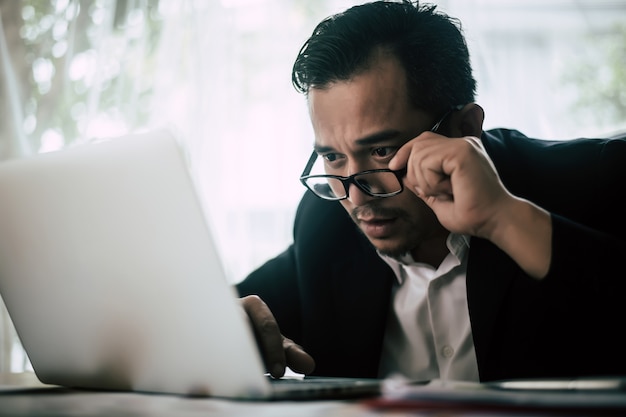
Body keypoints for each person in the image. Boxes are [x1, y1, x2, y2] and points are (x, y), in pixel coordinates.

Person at [236, 0, 626, 383]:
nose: (357, 198)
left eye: (381, 151)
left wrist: (503, 218)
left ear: (465, 129)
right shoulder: (325, 222)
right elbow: (228, 312)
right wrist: (226, 325)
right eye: (334, 156)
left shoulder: (598, 179)